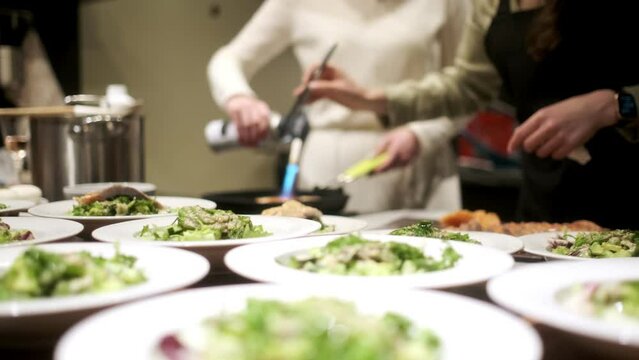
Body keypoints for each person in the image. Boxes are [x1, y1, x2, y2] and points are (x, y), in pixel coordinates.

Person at [299, 0, 639, 229]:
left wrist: (614, 105)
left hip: (623, 189)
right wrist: (369, 98)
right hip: (543, 192)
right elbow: (467, 86)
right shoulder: (490, 4)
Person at [208, 0, 470, 214]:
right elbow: (229, 58)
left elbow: (466, 87)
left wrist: (421, 134)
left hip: (420, 161)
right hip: (329, 166)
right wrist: (239, 97)